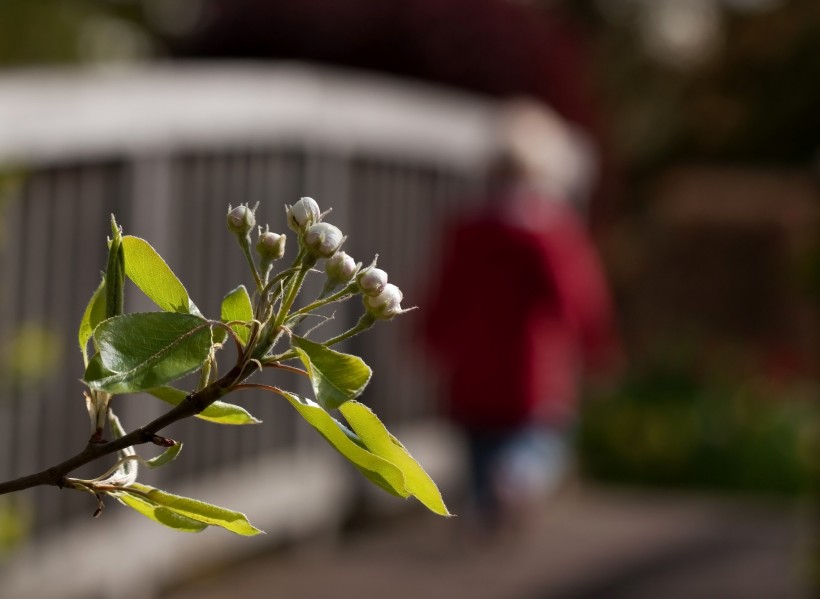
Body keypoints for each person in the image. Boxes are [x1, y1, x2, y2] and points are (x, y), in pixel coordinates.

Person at [422, 99, 621, 533]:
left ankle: (482, 507)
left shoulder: (468, 228)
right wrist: (595, 345)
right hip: (532, 368)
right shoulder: (551, 233)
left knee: (478, 442)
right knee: (539, 442)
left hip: (473, 367)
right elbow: (577, 298)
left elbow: (446, 292)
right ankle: (516, 483)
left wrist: (431, 336)